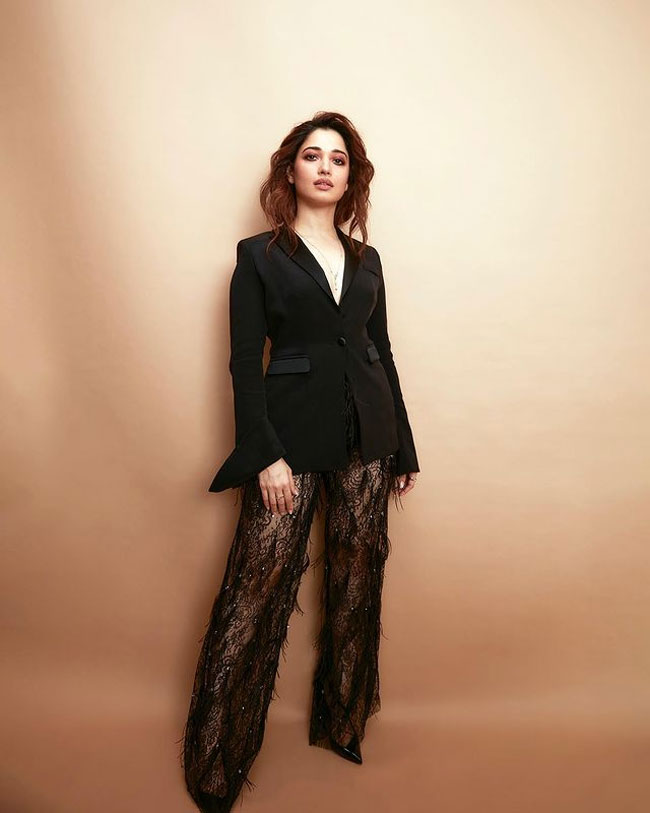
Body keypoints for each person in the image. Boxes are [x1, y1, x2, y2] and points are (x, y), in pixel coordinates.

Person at [180, 111, 420, 813]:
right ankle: (216, 755)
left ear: (351, 177)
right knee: (255, 591)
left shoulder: (368, 260)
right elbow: (243, 364)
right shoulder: (259, 255)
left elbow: (381, 352)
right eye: (313, 156)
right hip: (289, 440)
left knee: (357, 579)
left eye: (338, 160)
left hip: (368, 437)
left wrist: (403, 446)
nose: (325, 168)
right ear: (291, 170)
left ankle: (342, 721)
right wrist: (266, 454)